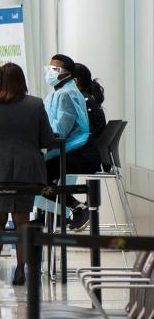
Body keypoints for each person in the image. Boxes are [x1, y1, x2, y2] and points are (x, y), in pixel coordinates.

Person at [0, 63, 54, 286]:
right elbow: (47, 139)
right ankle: (20, 271)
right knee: (22, 222)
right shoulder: (36, 105)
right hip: (26, 171)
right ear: (22, 81)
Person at [43, 54, 100, 230]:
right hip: (73, 150)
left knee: (37, 174)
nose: (50, 72)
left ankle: (78, 208)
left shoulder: (66, 94)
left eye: (54, 69)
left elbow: (60, 131)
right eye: (49, 68)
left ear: (66, 73)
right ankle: (74, 209)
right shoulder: (59, 92)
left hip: (81, 153)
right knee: (38, 172)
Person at [73, 63, 107, 141]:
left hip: (86, 150)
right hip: (93, 148)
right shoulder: (89, 98)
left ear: (75, 81)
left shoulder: (82, 100)